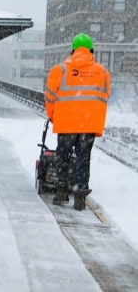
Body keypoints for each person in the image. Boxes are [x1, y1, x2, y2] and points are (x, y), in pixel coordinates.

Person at [45, 33, 110, 210]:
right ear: (91, 51)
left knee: (63, 157)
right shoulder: (103, 72)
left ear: (72, 50)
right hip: (88, 125)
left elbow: (50, 97)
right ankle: (80, 196)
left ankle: (61, 193)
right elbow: (104, 97)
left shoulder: (60, 70)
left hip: (66, 123)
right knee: (83, 158)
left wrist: (52, 115)